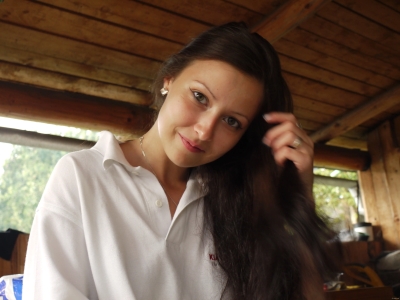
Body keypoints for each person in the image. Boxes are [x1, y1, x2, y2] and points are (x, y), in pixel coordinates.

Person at [23, 22, 339, 299]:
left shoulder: (237, 200)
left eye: (232, 122)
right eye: (199, 97)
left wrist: (302, 194)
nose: (204, 131)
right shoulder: (83, 175)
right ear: (169, 80)